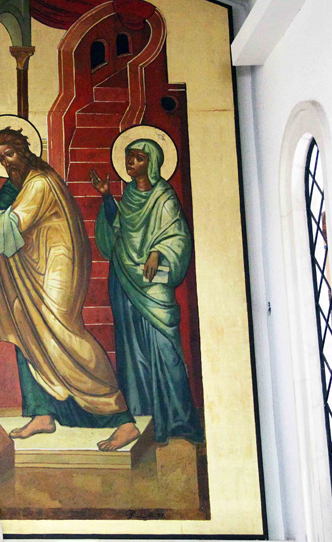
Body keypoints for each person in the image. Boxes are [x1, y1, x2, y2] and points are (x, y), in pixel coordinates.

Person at [0, 126, 139, 450]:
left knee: (65, 334)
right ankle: (42, 413)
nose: (6, 161)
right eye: (0, 158)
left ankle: (122, 419)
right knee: (24, 327)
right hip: (30, 266)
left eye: (9, 154)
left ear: (23, 150)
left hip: (56, 265)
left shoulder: (39, 183)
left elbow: (13, 224)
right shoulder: (17, 185)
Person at [91, 138, 205, 444]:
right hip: (124, 279)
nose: (131, 163)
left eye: (138, 158)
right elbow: (118, 230)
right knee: (134, 354)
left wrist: (158, 251)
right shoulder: (128, 195)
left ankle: (178, 421)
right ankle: (143, 419)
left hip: (154, 285)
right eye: (129, 157)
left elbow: (178, 236)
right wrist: (107, 197)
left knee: (166, 351)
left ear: (151, 163)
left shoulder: (164, 198)